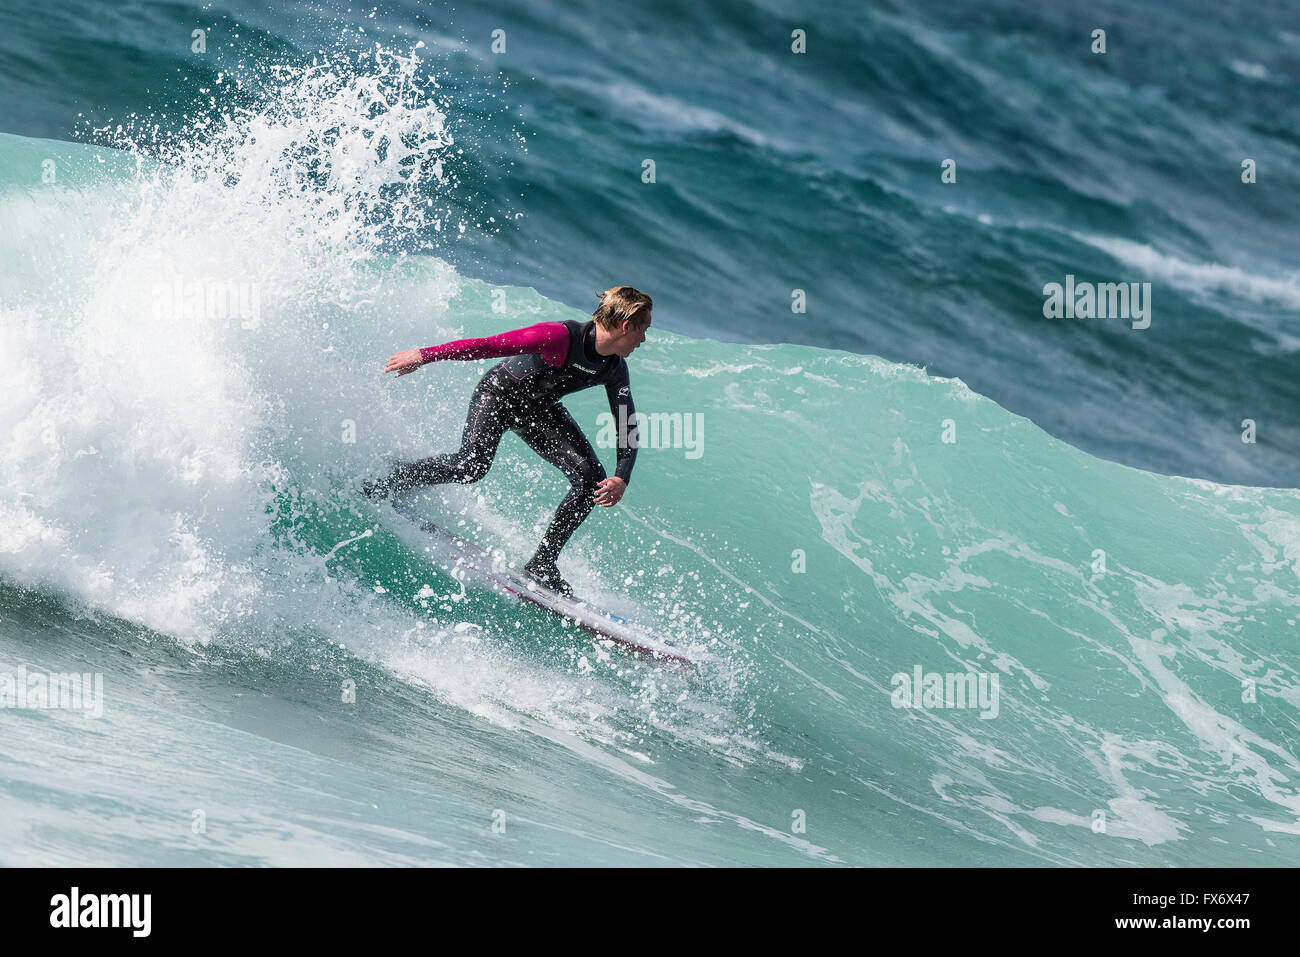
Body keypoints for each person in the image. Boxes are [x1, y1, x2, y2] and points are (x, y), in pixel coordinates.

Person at [363, 286, 650, 597]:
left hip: (539, 409)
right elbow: (489, 345)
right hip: (498, 395)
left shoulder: (614, 368)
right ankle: (390, 479)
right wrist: (424, 355)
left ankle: (542, 564)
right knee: (470, 466)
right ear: (627, 325)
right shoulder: (560, 336)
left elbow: (627, 423)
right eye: (643, 330)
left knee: (590, 480)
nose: (643, 340)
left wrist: (622, 475)